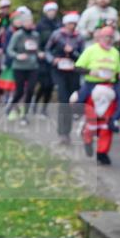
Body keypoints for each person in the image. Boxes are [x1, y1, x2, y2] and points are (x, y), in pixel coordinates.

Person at [74, 25, 120, 165]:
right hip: (92, 85)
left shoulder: (115, 52)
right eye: (106, 37)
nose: (108, 39)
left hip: (110, 86)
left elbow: (119, 68)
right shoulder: (91, 50)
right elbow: (77, 67)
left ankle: (103, 151)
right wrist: (90, 71)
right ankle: (78, 116)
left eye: (111, 37)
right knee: (87, 110)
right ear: (100, 37)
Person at [46, 11, 87, 145]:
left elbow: (82, 56)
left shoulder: (79, 37)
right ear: (65, 23)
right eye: (70, 23)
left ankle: (68, 130)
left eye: (74, 23)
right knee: (63, 99)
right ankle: (63, 133)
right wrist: (53, 60)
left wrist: (72, 52)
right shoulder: (57, 35)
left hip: (73, 71)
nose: (72, 26)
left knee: (71, 101)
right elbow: (47, 50)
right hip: (59, 71)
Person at [5, 10, 43, 122]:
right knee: (20, 91)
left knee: (31, 90)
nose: (29, 24)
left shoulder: (36, 35)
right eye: (26, 21)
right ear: (22, 23)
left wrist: (39, 53)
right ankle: (11, 106)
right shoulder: (17, 35)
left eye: (30, 21)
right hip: (19, 67)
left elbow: (37, 49)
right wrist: (17, 56)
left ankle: (24, 114)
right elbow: (9, 50)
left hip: (33, 66)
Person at [30, 1, 62, 115]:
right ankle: (35, 101)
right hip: (42, 58)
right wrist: (38, 52)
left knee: (50, 85)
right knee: (44, 84)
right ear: (46, 11)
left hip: (54, 59)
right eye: (50, 10)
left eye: (54, 10)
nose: (52, 13)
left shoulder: (59, 24)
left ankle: (44, 109)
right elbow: (35, 40)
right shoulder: (40, 25)